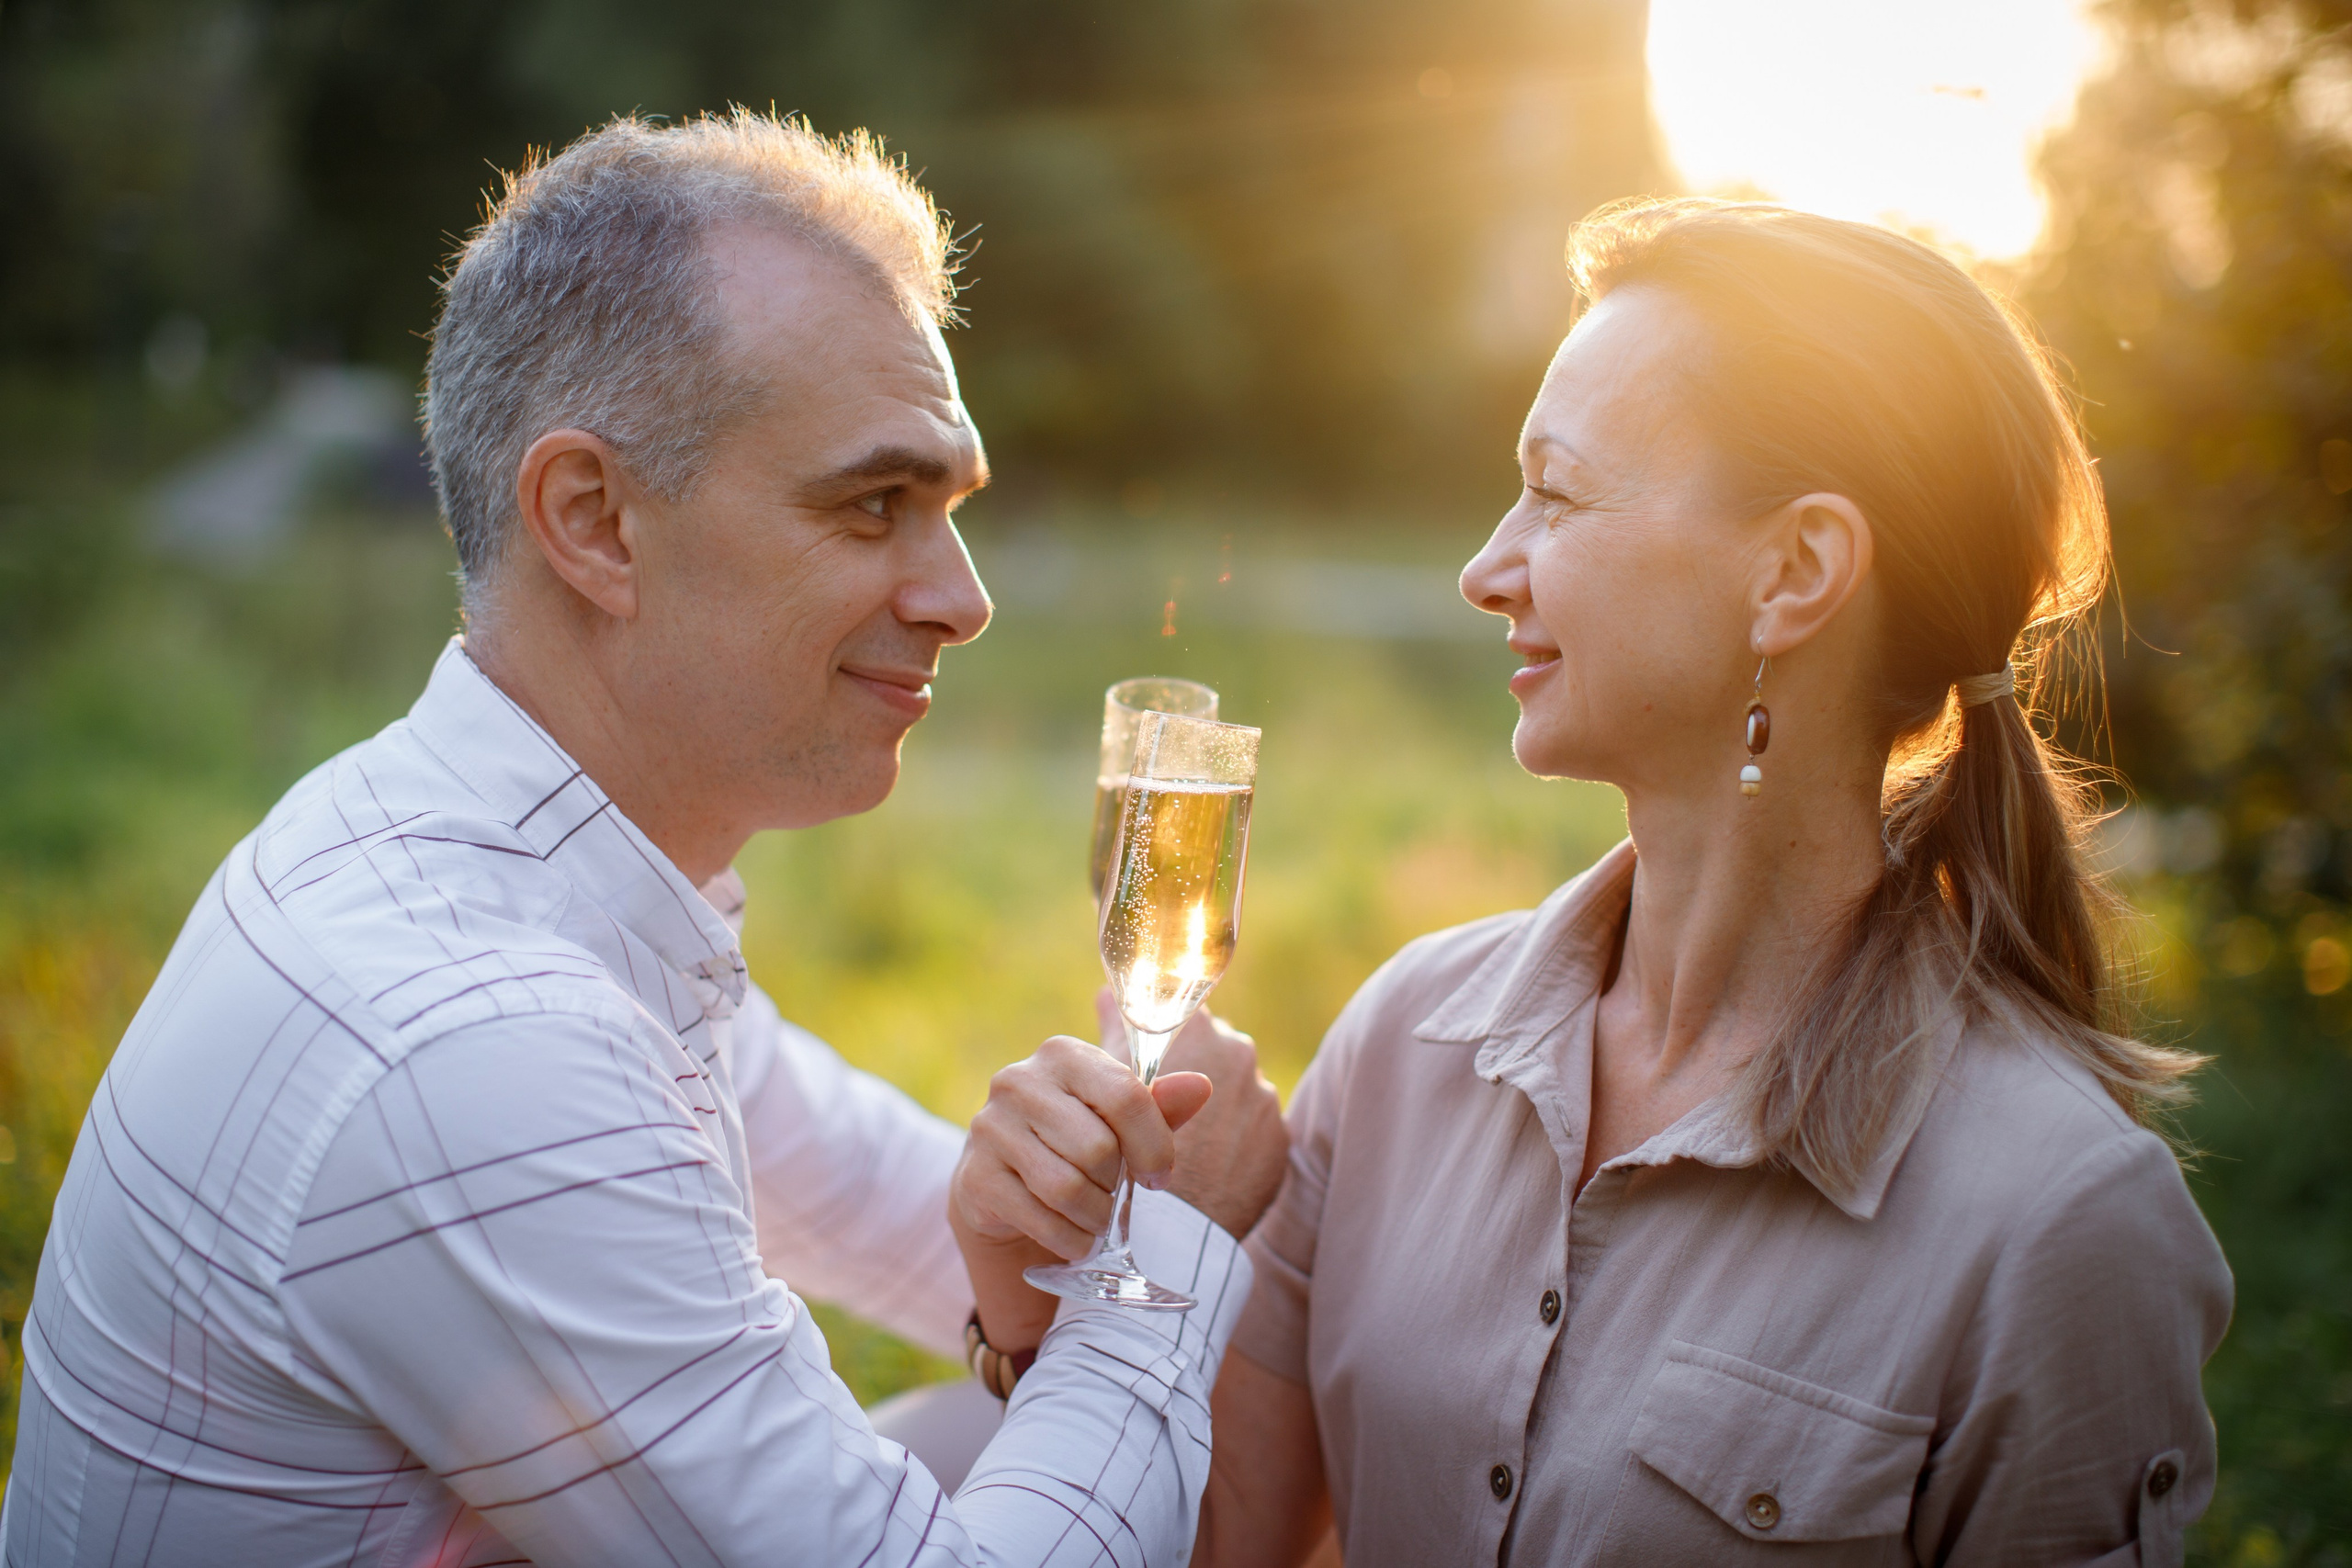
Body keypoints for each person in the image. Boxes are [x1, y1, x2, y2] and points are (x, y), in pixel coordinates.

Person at [2, 110, 1286, 1568]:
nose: (963, 597)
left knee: (976, 1435)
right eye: (877, 505)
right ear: (595, 522)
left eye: (951, 509)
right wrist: (1163, 1263)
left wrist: (1028, 1262)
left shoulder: (511, 861)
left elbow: (870, 1194)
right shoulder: (475, 1037)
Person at [989, 198, 2235, 1564]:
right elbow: (1228, 1546)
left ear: (1797, 571)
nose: (1483, 567)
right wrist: (1038, 1302)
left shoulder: (2061, 1226)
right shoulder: (1401, 1046)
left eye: (1558, 491)